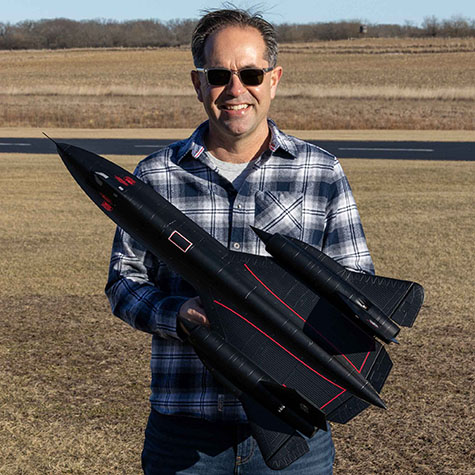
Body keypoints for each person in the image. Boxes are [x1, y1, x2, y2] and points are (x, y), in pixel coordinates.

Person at [106, 8, 374, 474]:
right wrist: (179, 315)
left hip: (296, 434)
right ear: (197, 82)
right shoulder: (154, 178)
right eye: (218, 75)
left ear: (273, 79)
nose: (235, 89)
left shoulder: (320, 172)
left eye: (251, 73)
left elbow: (358, 284)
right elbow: (124, 282)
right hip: (184, 433)